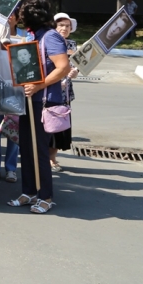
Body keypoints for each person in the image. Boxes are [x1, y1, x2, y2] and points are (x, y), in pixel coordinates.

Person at [8, 0, 70, 214]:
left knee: (40, 150)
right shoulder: (34, 36)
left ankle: (45, 196)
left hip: (43, 101)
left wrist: (37, 86)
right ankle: (29, 191)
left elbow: (63, 67)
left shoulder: (51, 37)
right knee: (26, 148)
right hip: (29, 99)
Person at [50, 12, 78, 172]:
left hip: (65, 93)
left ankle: (53, 158)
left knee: (61, 127)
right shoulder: (49, 42)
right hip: (50, 89)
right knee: (49, 125)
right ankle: (45, 159)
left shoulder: (72, 45)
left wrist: (74, 73)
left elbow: (76, 67)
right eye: (61, 25)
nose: (64, 28)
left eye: (67, 26)